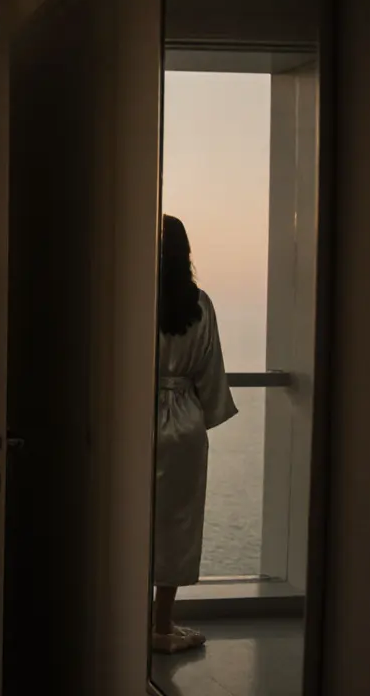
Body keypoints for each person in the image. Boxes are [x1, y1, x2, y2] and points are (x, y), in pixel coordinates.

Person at [152, 215, 238, 653]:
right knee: (177, 525)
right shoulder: (200, 305)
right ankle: (161, 624)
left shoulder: (137, 299)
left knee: (134, 519)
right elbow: (210, 372)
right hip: (183, 422)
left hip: (136, 421)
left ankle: (128, 618)